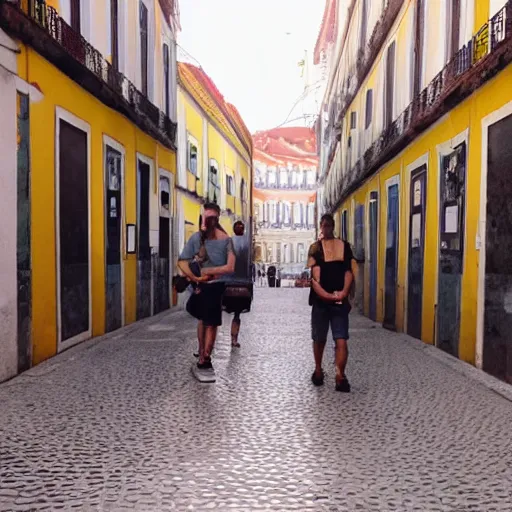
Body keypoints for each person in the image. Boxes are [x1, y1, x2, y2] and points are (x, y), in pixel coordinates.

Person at [178, 203, 235, 381]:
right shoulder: (197, 238)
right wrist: (196, 279)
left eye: (210, 218)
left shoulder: (226, 240)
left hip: (216, 287)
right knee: (205, 320)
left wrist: (208, 272)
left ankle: (206, 358)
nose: (206, 221)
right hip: (201, 287)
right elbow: (182, 261)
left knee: (211, 322)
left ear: (216, 219)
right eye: (205, 217)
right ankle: (202, 354)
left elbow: (230, 267)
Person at [307, 213, 354, 392]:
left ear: (330, 227)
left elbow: (347, 273)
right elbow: (316, 279)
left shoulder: (317, 249)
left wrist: (340, 294)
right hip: (326, 300)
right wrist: (337, 295)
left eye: (327, 225)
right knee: (324, 338)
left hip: (328, 301)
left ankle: (337, 374)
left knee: (337, 339)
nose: (326, 228)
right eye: (324, 226)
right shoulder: (318, 248)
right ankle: (326, 372)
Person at [223, 221, 252, 348]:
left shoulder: (228, 242)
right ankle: (234, 339)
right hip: (243, 284)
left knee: (230, 311)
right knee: (237, 314)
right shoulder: (248, 243)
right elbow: (250, 263)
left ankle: (232, 338)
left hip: (229, 282)